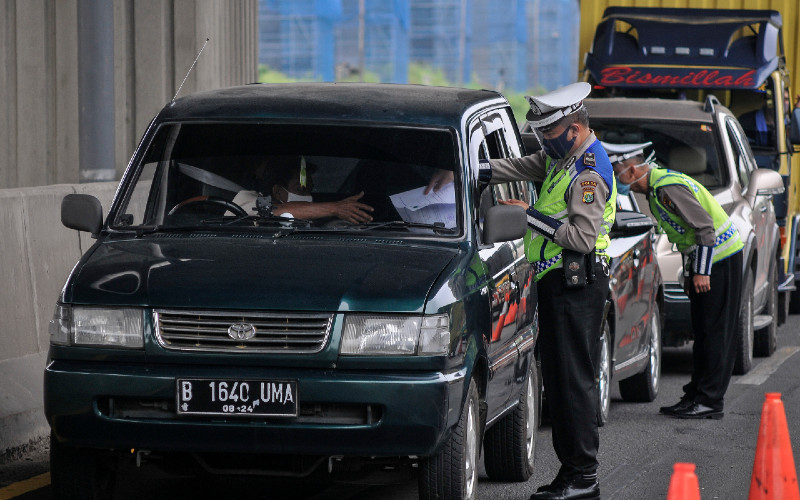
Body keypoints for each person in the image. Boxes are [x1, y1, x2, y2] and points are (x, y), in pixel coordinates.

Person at [488, 82, 616, 500]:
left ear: (574, 128)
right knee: (560, 382)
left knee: (574, 381)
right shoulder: (564, 158)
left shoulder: (588, 171)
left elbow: (581, 237)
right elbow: (526, 165)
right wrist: (479, 168)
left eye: (550, 133)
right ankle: (572, 472)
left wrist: (531, 216)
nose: (544, 141)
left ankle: (583, 477)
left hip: (577, 284)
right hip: (560, 284)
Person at [605, 140, 744, 421]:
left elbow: (704, 228)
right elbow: (685, 237)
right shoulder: (656, 189)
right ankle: (696, 394)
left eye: (616, 170)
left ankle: (710, 401)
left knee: (715, 331)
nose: (614, 177)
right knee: (702, 331)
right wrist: (691, 272)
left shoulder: (666, 187)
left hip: (721, 258)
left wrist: (702, 272)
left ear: (631, 171)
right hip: (706, 259)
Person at [231, 155, 374, 223]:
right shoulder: (250, 199)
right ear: (277, 191)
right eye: (301, 189)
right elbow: (275, 211)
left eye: (309, 190)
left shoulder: (306, 220)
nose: (308, 196)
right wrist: (335, 208)